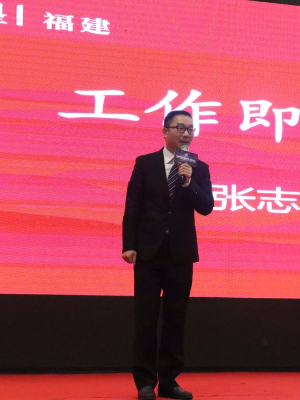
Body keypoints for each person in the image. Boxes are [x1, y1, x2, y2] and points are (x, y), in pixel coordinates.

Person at [122, 110, 214, 400]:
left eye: (190, 129)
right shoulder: (145, 163)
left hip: (180, 254)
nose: (186, 134)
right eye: (180, 128)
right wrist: (129, 244)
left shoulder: (199, 168)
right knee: (146, 319)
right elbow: (133, 206)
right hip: (148, 253)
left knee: (175, 320)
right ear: (165, 132)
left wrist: (189, 183)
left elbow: (206, 207)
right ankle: (145, 382)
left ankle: (170, 381)